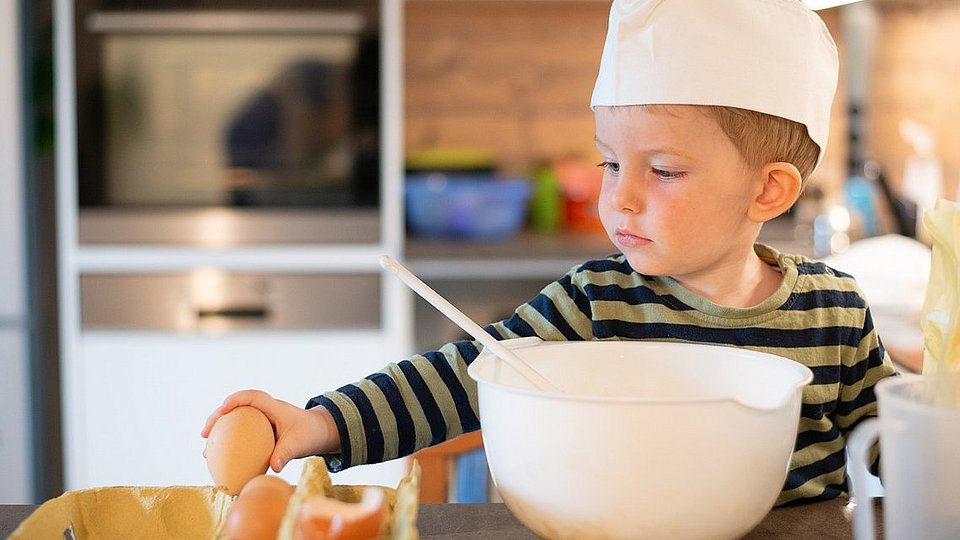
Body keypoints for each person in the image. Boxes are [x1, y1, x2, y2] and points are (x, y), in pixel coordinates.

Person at [202, 0, 897, 506]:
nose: (620, 198)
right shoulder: (594, 302)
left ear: (769, 191)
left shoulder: (833, 311)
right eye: (609, 165)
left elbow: (900, 449)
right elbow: (457, 381)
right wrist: (320, 423)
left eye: (662, 170)